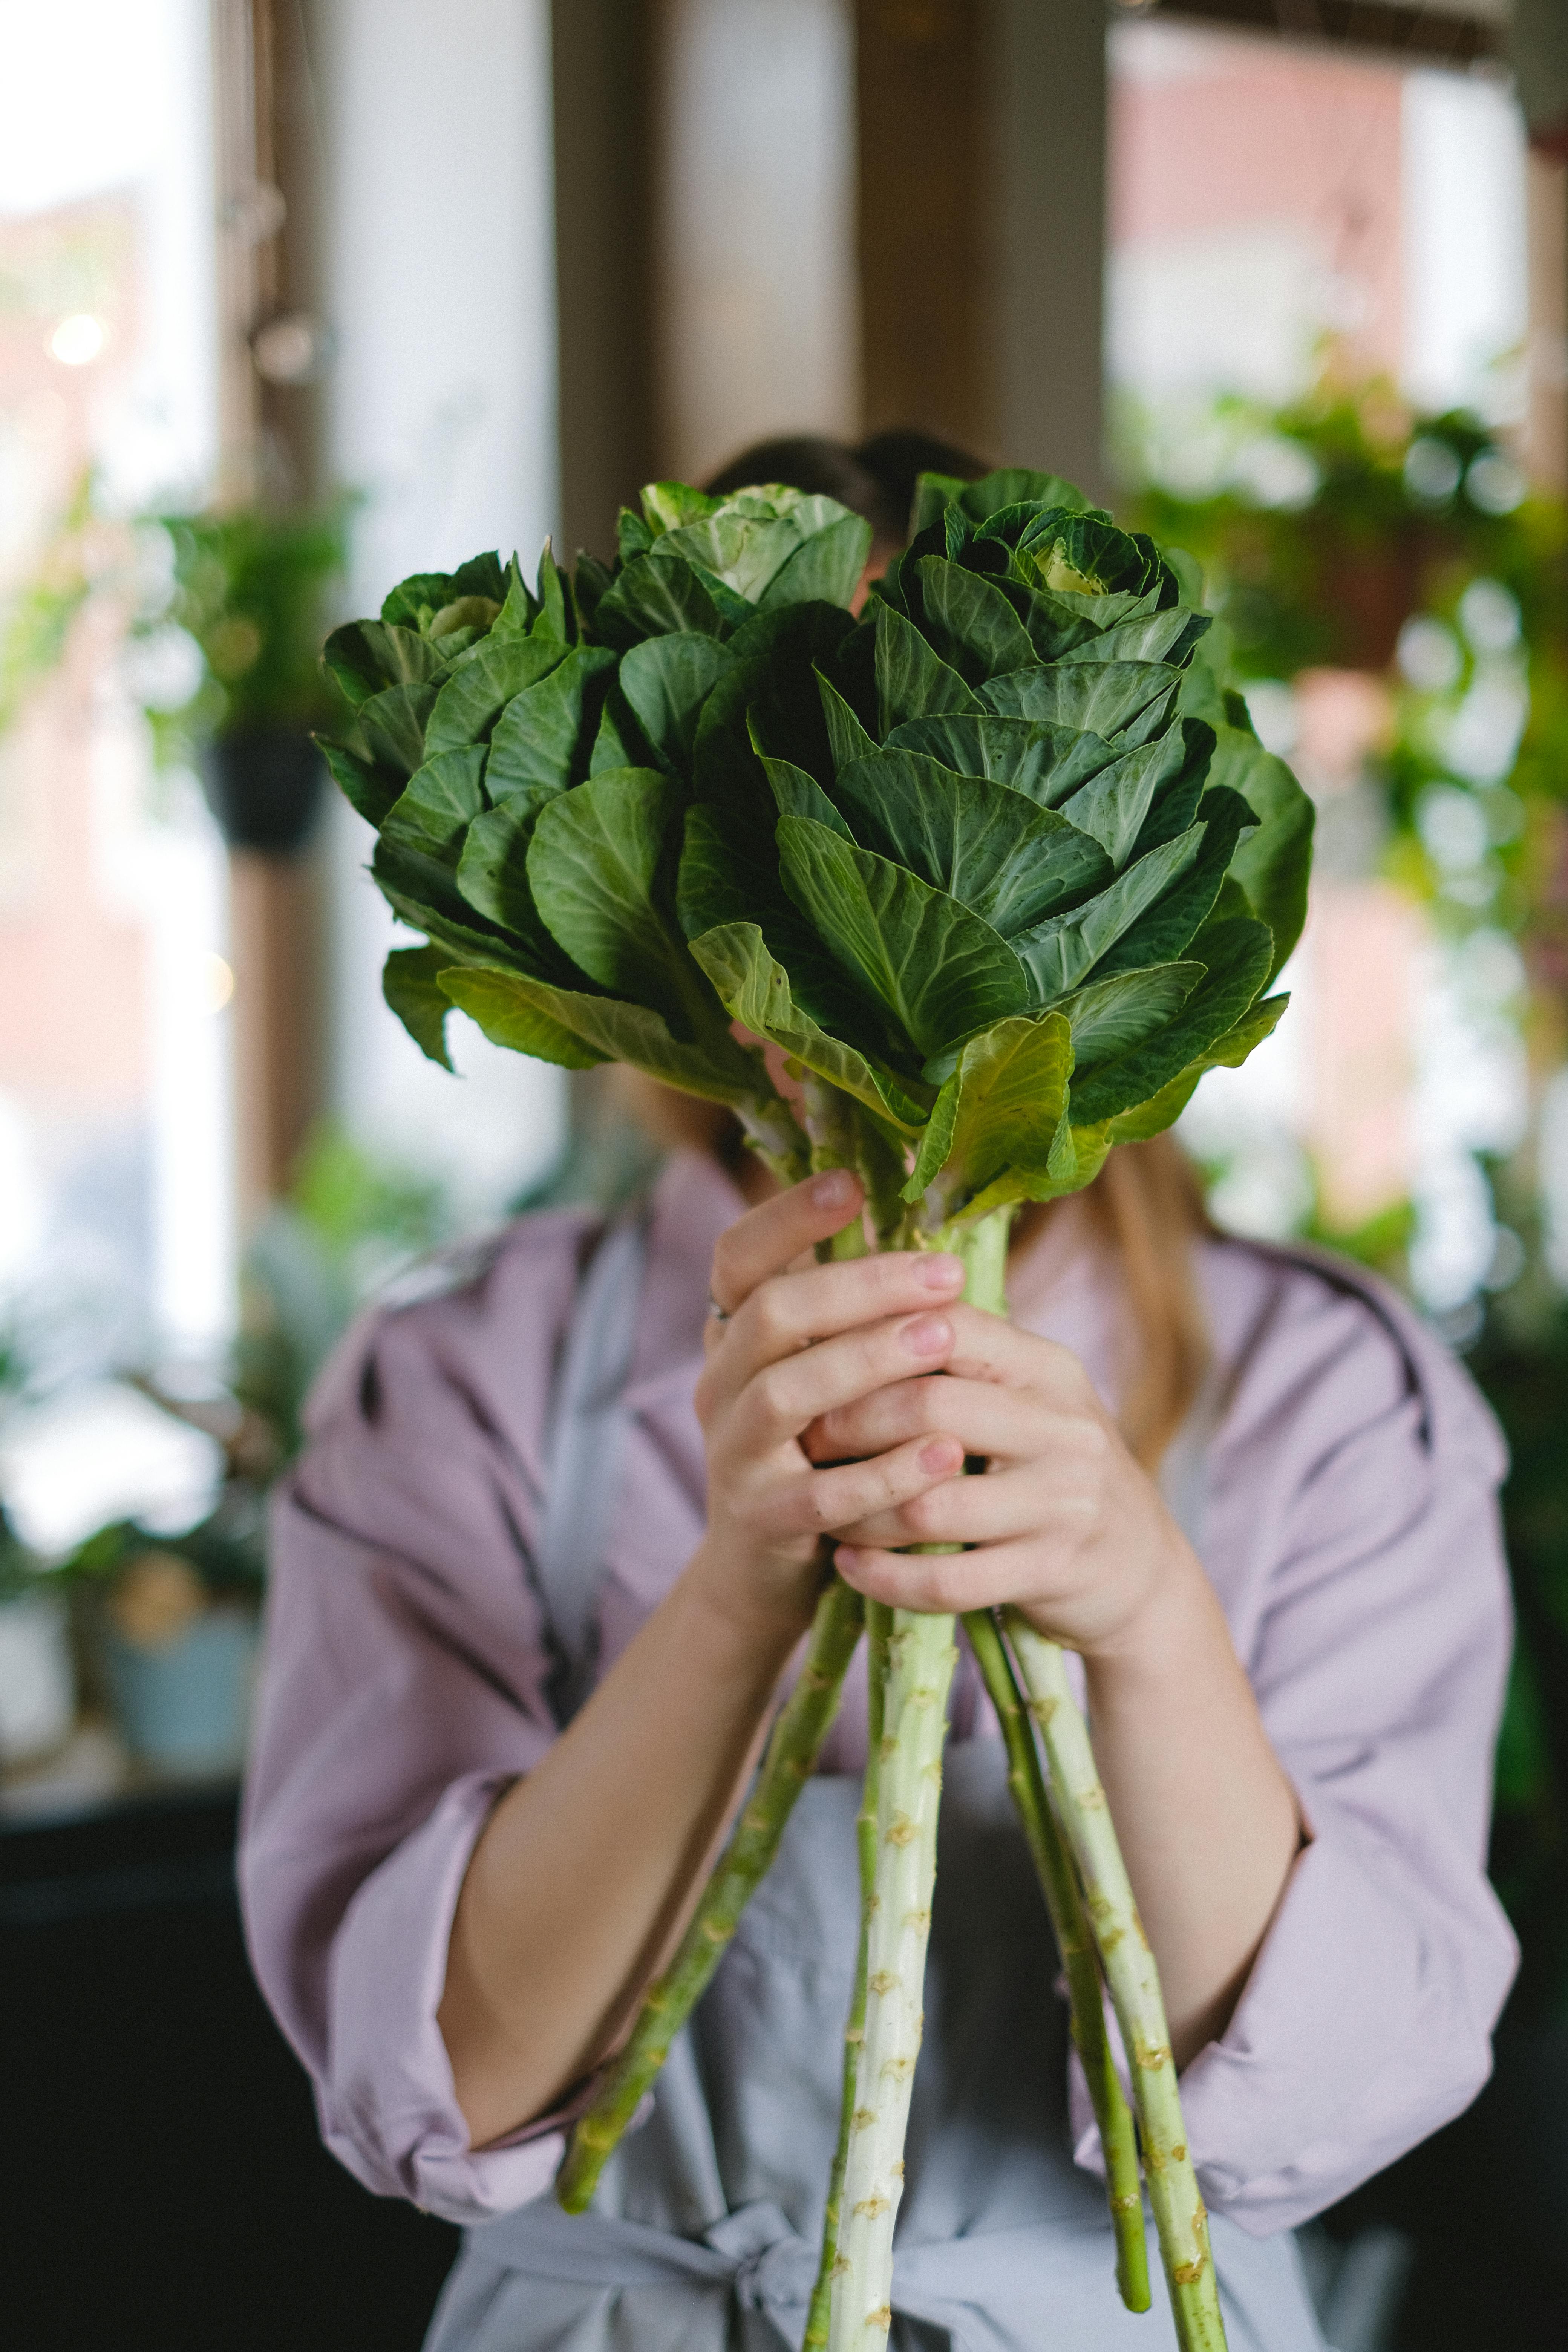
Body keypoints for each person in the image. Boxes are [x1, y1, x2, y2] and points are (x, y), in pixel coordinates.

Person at [239, 436, 1518, 2352]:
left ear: (1103, 845)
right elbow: (443, 2078)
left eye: (885, 811)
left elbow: (1326, 2114)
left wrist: (1149, 1618)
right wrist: (737, 1594)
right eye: (749, 809)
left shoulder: (1336, 1394)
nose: (823, 896)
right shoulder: (457, 1376)